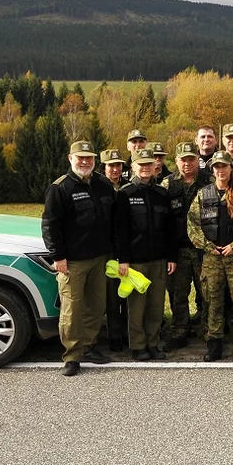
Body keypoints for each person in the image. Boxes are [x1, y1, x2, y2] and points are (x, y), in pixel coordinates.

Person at [41, 140, 118, 376]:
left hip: (99, 258)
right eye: (80, 158)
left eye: (89, 158)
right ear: (70, 158)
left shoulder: (103, 184)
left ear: (95, 160)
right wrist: (58, 256)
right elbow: (50, 226)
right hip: (72, 261)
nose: (85, 162)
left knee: (95, 306)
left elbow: (113, 221)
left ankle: (90, 346)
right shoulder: (60, 188)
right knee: (72, 309)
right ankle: (72, 356)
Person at [188, 151, 233, 362]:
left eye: (224, 166)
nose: (220, 170)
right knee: (212, 301)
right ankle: (214, 343)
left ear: (231, 168)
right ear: (212, 169)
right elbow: (192, 225)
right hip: (212, 258)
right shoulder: (203, 195)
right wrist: (208, 246)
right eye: (216, 167)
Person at [116, 148, 177, 360]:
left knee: (156, 305)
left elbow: (169, 229)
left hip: (159, 259)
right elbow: (120, 230)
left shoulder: (161, 194)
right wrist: (123, 260)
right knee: (136, 307)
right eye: (141, 164)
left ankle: (153, 344)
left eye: (149, 164)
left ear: (155, 167)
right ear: (133, 166)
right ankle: (138, 346)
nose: (145, 168)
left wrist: (171, 257)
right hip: (135, 261)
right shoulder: (125, 194)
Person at [162, 141, 211, 349]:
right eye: (183, 160)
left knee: (207, 292)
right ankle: (180, 330)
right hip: (178, 250)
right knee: (178, 293)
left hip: (203, 248)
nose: (187, 163)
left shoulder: (208, 182)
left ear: (198, 160)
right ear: (176, 161)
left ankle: (207, 329)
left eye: (191, 159)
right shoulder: (167, 184)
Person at [97, 148, 128, 351]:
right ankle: (114, 335)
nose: (115, 169)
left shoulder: (128, 187)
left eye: (118, 165)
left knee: (126, 294)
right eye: (111, 165)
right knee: (110, 296)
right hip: (106, 250)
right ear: (104, 167)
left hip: (126, 248)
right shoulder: (98, 187)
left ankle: (127, 333)